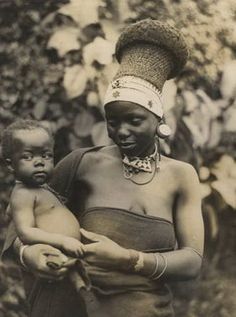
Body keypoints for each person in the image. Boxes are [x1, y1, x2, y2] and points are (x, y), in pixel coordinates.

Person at [1, 19, 204, 317]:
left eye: (134, 120)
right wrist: (28, 253)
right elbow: (23, 214)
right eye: (113, 121)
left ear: (158, 120)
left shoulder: (181, 176)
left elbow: (192, 261)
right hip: (75, 305)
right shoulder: (83, 163)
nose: (121, 132)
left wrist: (128, 259)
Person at [1, 120, 90, 295]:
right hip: (51, 250)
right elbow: (25, 232)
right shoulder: (23, 194)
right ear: (11, 164)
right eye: (28, 156)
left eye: (46, 155)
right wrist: (63, 240)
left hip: (68, 252)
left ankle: (82, 287)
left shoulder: (39, 189)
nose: (39, 162)